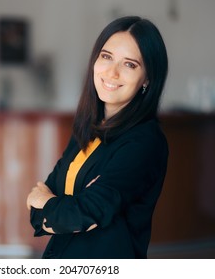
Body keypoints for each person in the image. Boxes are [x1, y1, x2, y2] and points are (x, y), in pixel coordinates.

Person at [26, 16, 169, 259]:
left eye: (130, 64)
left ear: (147, 78)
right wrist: (61, 209)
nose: (112, 72)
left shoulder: (145, 141)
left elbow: (87, 212)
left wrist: (50, 204)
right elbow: (38, 214)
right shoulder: (88, 129)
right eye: (106, 56)